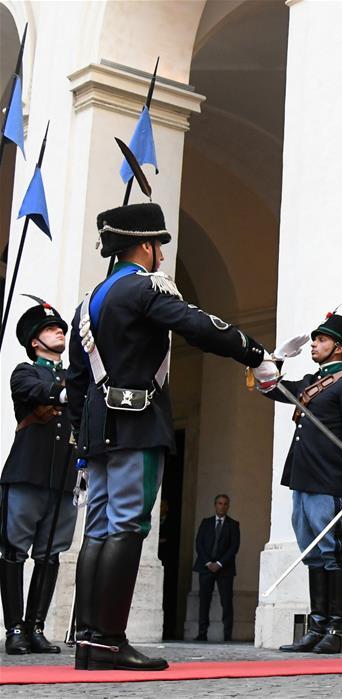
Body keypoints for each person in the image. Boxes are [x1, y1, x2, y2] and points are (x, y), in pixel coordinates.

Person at [67, 202, 268, 671]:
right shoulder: (142, 289)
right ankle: (110, 641)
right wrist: (254, 352)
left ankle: (89, 640)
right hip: (136, 423)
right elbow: (196, 324)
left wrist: (83, 439)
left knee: (98, 529)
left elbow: (76, 379)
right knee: (128, 526)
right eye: (158, 245)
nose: (161, 254)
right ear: (145, 245)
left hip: (98, 430)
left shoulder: (88, 303)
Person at [255, 312, 342, 655]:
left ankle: (335, 629)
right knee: (313, 555)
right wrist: (277, 356)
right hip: (303, 479)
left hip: (331, 481)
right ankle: (316, 626)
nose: (314, 345)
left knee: (333, 553)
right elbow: (267, 386)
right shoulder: (309, 382)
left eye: (321, 340)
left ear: (338, 346)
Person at [1, 299, 77, 654]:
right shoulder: (25, 371)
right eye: (51, 328)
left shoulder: (73, 375)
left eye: (60, 327)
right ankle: (14, 628)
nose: (59, 331)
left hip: (62, 478)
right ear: (35, 341)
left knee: (50, 554)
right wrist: (66, 393)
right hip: (28, 473)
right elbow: (29, 393)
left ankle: (36, 627)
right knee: (15, 550)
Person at [193, 493, 240, 642]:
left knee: (226, 602)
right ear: (215, 505)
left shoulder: (233, 525)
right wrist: (208, 563)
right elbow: (199, 544)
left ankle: (227, 635)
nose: (222, 506)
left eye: (225, 504)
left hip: (224, 569)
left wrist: (219, 564)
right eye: (220, 503)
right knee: (204, 601)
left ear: (228, 506)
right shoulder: (205, 522)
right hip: (205, 568)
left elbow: (234, 547)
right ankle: (202, 633)